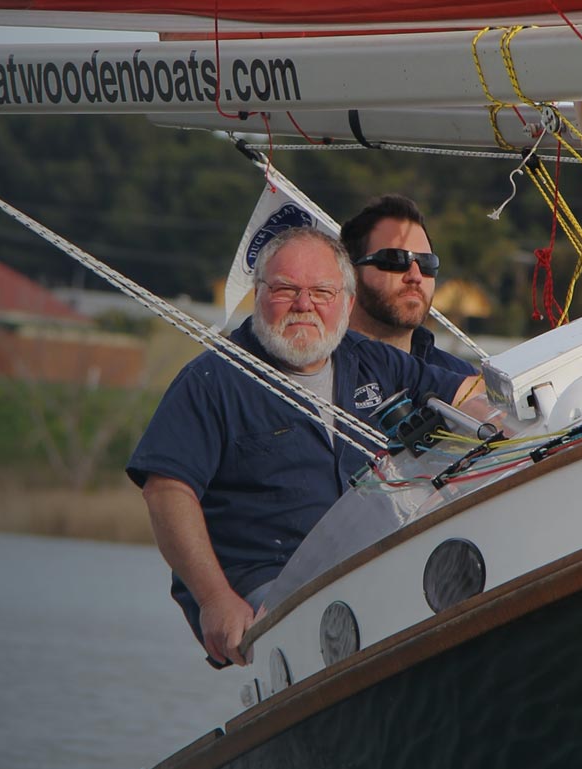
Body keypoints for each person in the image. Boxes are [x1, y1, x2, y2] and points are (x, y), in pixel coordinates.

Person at [127, 227, 479, 667]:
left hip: (380, 569)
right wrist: (215, 599)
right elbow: (166, 489)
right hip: (270, 591)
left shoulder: (372, 359)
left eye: (322, 292)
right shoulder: (212, 381)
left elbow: (471, 395)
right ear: (258, 295)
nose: (304, 305)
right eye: (286, 289)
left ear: (347, 304)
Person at [339, 195, 477, 375]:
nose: (416, 276)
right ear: (351, 272)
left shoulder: (464, 381)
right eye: (395, 259)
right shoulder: (316, 369)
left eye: (427, 263)